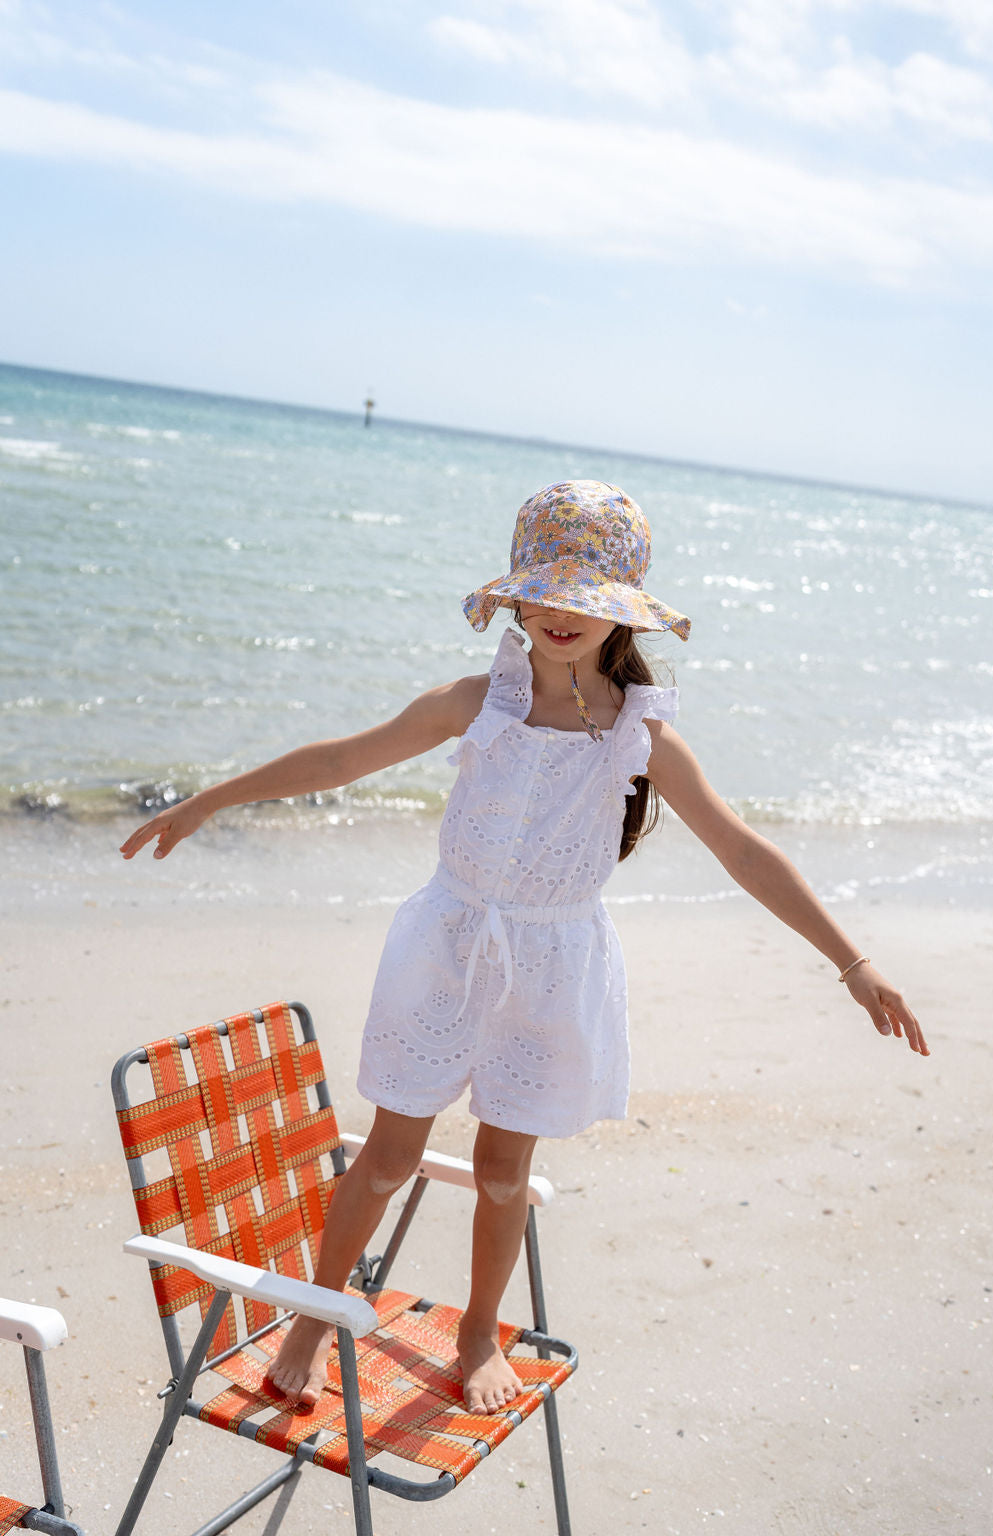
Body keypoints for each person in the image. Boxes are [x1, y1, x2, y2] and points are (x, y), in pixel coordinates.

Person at [120, 479, 928, 1417]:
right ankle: (314, 1317)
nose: (560, 614)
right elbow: (343, 759)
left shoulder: (642, 734)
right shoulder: (478, 702)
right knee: (386, 1158)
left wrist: (851, 961)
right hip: (447, 946)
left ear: (622, 612)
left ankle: (478, 1333)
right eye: (545, 592)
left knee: (504, 1172)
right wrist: (212, 799)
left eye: (585, 598)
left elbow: (742, 849)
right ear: (516, 597)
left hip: (553, 968)